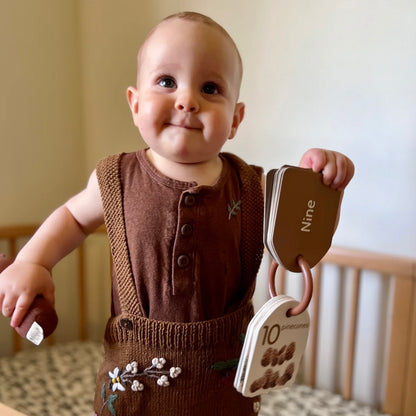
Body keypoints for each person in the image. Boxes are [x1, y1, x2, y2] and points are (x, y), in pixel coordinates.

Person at [0, 11, 354, 416]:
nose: (187, 99)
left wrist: (325, 187)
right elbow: (74, 218)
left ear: (235, 120)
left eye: (210, 87)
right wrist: (33, 261)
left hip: (226, 389)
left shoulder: (253, 188)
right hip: (134, 389)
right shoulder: (116, 177)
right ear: (135, 104)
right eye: (166, 81)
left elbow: (302, 234)